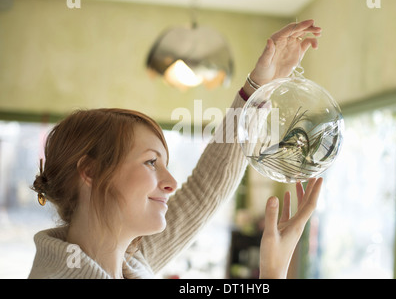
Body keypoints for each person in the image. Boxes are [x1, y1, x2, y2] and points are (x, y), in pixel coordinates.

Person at [29, 20, 323, 279]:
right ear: (91, 171)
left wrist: (260, 89)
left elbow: (205, 189)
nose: (170, 183)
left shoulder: (128, 261)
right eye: (150, 162)